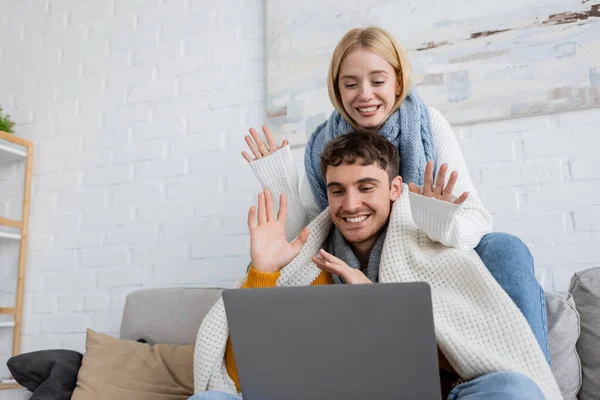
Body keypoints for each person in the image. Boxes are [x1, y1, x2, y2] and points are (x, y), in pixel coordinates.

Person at [241, 26, 549, 361]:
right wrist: (280, 181)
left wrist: (438, 220)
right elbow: (306, 236)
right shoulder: (322, 142)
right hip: (353, 256)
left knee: (505, 247)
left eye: (377, 80)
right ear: (337, 88)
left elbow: (477, 223)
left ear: (398, 82)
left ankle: (532, 379)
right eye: (350, 83)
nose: (364, 94)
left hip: (426, 252)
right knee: (263, 265)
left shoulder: (428, 124)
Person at [191, 132, 560, 400]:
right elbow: (239, 384)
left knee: (514, 389)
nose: (350, 204)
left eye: (366, 187)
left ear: (395, 189)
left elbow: (471, 355)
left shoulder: (435, 255)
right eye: (338, 191)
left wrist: (382, 310)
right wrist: (263, 273)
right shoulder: (312, 266)